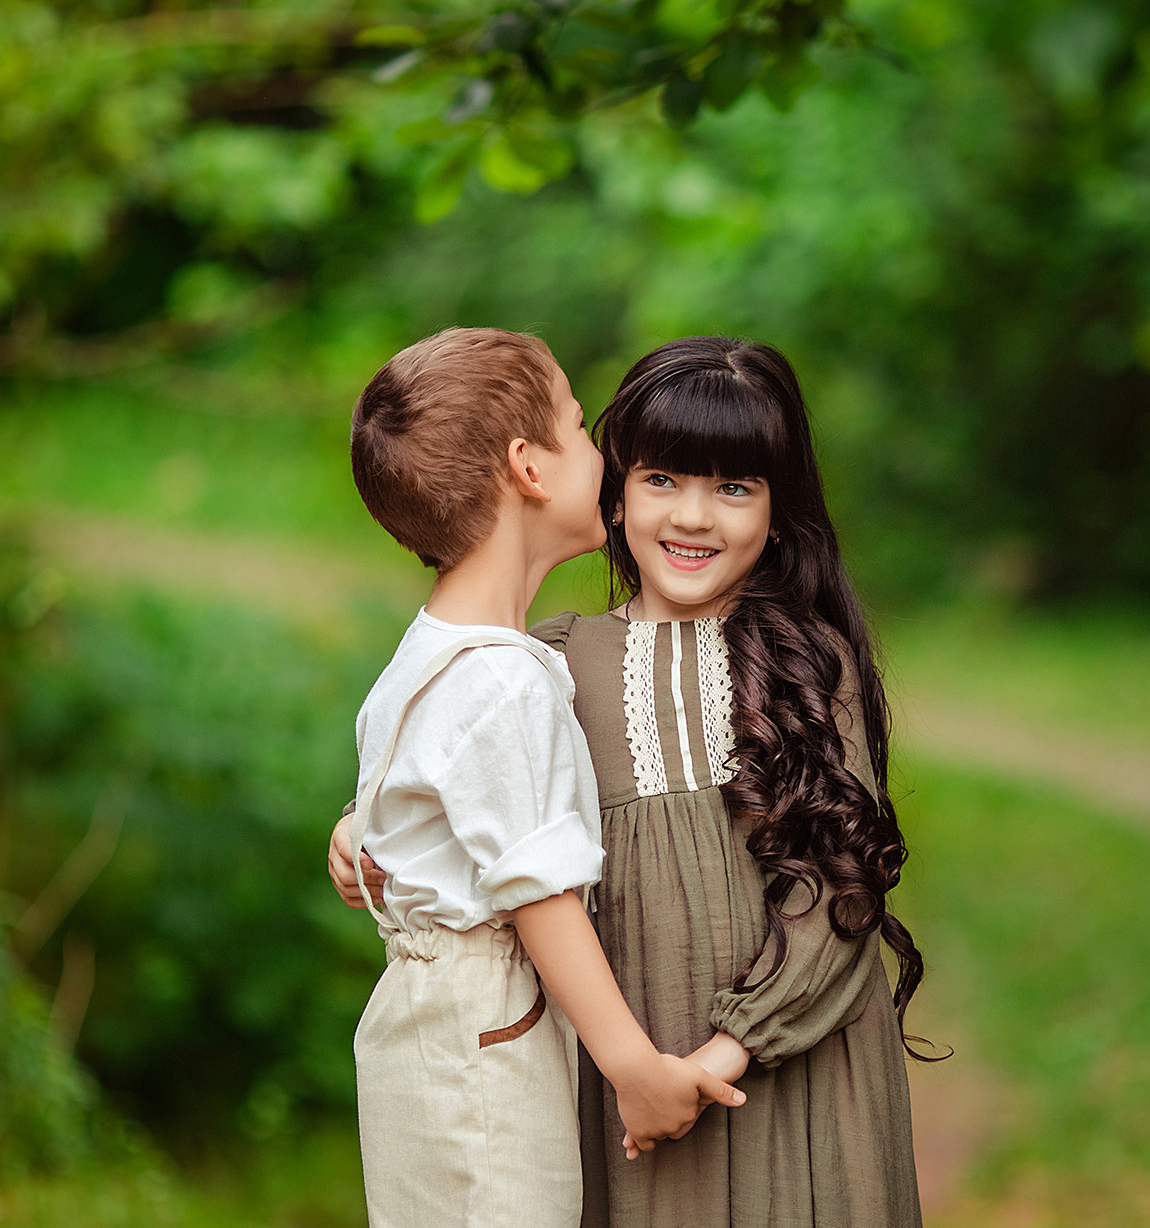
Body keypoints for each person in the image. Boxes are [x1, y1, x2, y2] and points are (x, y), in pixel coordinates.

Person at [333, 336, 926, 1227]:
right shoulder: (553, 664)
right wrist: (356, 827)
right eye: (661, 479)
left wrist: (721, 1058)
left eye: (734, 487)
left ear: (777, 506)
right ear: (617, 485)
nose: (693, 517)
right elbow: (467, 771)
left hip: (784, 1071)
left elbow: (838, 890)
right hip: (629, 1080)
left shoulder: (806, 664)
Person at [342, 327, 744, 1228]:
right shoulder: (505, 677)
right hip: (487, 1034)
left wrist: (355, 831)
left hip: (424, 1024)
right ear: (529, 468)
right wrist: (636, 1070)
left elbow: (423, 794)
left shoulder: (436, 648)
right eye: (577, 423)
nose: (602, 453)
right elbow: (540, 895)